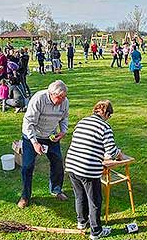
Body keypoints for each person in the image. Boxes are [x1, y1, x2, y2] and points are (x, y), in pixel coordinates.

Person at [65, 100, 122, 239]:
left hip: (72, 164)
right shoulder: (105, 127)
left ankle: (81, 222)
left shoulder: (82, 121)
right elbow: (111, 151)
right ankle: (96, 231)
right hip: (87, 168)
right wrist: (120, 155)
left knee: (79, 195)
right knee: (94, 200)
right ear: (107, 114)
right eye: (109, 116)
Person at [18, 80, 69, 208]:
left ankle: (56, 189)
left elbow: (64, 118)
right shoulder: (38, 99)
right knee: (27, 166)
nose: (62, 100)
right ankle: (25, 196)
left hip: (50, 136)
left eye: (64, 97)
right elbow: (28, 123)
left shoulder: (64, 102)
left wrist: (63, 131)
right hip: (32, 136)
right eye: (60, 97)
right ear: (51, 94)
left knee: (57, 162)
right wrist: (35, 143)